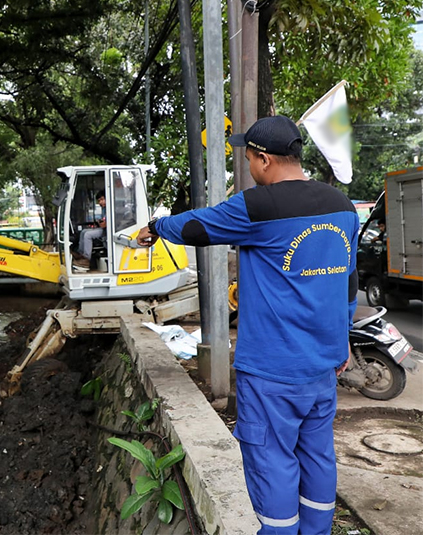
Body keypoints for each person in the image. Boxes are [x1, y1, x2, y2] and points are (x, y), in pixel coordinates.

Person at [136, 115, 359, 535]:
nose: (251, 168)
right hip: (323, 367)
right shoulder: (342, 206)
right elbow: (349, 279)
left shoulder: (260, 205)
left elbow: (197, 226)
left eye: (250, 159)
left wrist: (156, 227)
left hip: (272, 370)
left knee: (271, 458)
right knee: (316, 454)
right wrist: (343, 337)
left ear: (262, 160)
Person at [74, 192, 106, 269]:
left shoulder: (111, 208)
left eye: (102, 199)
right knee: (83, 232)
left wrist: (101, 223)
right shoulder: (104, 209)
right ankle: (80, 254)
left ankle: (86, 259)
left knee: (87, 235)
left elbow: (105, 224)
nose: (100, 202)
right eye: (99, 201)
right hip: (102, 228)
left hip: (106, 231)